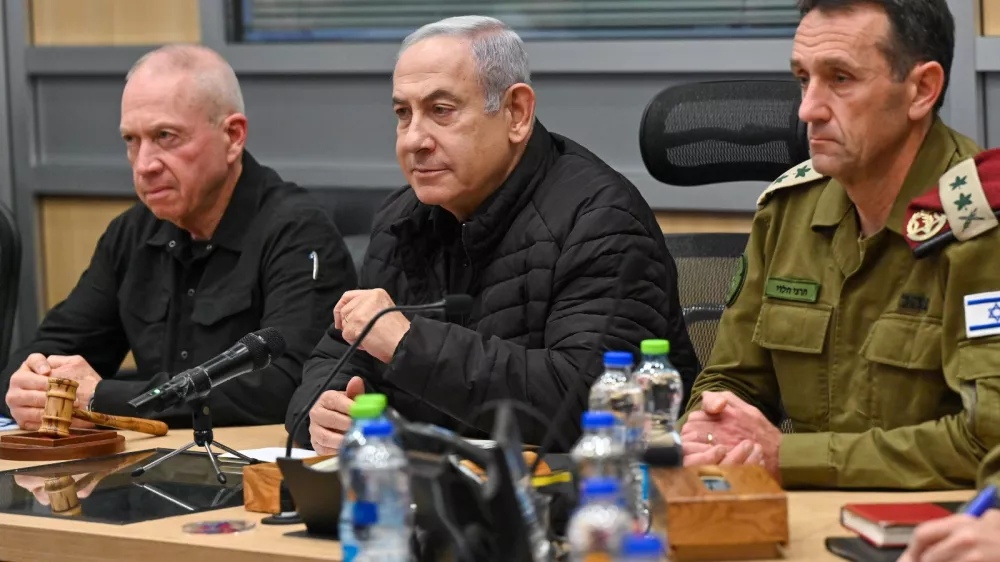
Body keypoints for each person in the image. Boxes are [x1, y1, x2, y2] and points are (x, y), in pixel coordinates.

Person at [287, 16, 698, 454]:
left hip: (580, 500)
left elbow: (590, 403)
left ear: (516, 113)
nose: (414, 140)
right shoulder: (401, 218)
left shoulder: (599, 219)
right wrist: (319, 410)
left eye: (441, 111)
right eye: (403, 114)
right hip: (431, 493)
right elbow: (333, 358)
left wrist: (409, 344)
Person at [680, 0, 1000, 490]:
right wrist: (709, 429)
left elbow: (987, 440)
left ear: (922, 89)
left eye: (841, 79)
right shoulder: (788, 210)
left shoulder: (980, 226)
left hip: (937, 526)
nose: (808, 108)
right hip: (797, 514)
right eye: (804, 78)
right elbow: (734, 379)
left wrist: (790, 456)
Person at [1, 45, 357, 429]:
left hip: (254, 477)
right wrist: (31, 383)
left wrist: (103, 398)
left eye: (165, 136)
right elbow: (53, 347)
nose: (144, 165)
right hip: (152, 470)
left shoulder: (297, 231)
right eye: (131, 141)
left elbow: (290, 384)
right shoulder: (131, 233)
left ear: (233, 136)